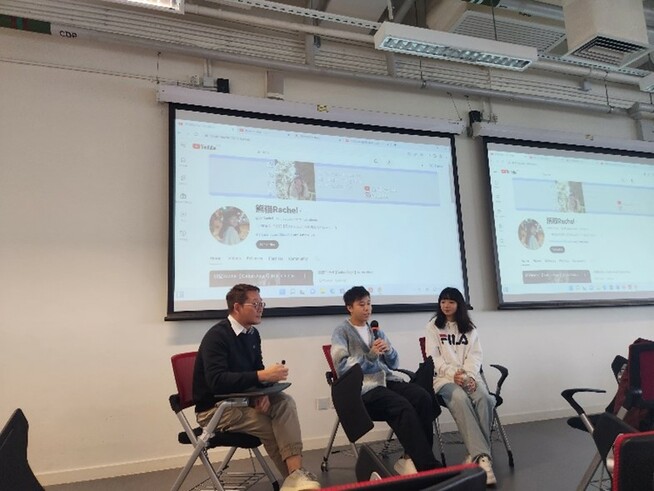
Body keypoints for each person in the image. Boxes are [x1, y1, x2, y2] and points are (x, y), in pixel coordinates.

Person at [193, 284, 320, 491]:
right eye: (256, 304)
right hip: (215, 409)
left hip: (241, 400)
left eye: (262, 303)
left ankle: (296, 478)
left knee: (285, 402)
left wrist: (262, 392)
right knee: (272, 426)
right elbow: (217, 381)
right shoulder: (216, 336)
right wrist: (262, 376)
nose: (261, 308)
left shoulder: (252, 334)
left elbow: (255, 372)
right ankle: (296, 480)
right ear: (237, 307)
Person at [331, 286, 442, 476]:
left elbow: (394, 362)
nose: (367, 309)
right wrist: (371, 356)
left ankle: (410, 459)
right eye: (361, 305)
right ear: (349, 307)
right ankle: (427, 466)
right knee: (402, 406)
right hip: (364, 388)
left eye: (369, 304)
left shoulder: (375, 331)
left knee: (422, 397)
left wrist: (388, 351)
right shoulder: (341, 332)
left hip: (386, 379)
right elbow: (342, 367)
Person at [424, 287, 497, 486]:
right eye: (442, 301)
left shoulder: (470, 328)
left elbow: (476, 356)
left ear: (459, 305)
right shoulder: (433, 327)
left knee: (486, 398)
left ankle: (475, 455)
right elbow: (433, 358)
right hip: (444, 380)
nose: (446, 306)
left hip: (468, 377)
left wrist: (468, 375)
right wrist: (452, 374)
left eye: (451, 302)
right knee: (460, 398)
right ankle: (483, 458)